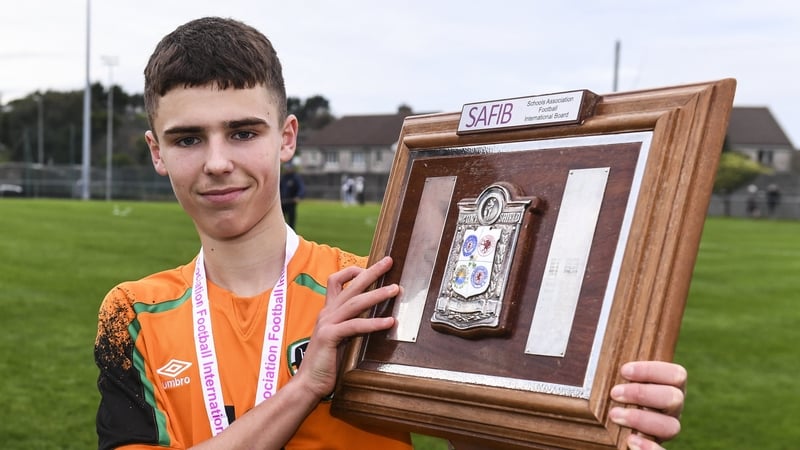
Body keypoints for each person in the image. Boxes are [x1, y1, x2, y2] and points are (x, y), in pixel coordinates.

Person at [94, 17, 686, 450]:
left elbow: (483, 435)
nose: (218, 161)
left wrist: (605, 418)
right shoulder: (132, 314)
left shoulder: (381, 294)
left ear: (287, 137)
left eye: (243, 132)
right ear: (157, 153)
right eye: (188, 138)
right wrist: (308, 387)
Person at [279, 160, 305, 229]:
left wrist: (298, 196)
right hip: (282, 202)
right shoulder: (283, 178)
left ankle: (292, 235)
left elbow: (301, 188)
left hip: (291, 202)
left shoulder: (295, 178)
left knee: (291, 222)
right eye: (286, 168)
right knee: (280, 221)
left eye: (289, 168)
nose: (287, 169)